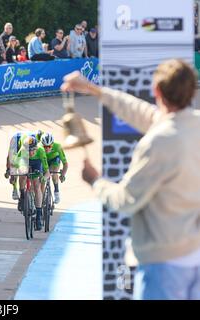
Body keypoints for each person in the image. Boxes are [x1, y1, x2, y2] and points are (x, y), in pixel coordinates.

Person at [61, 59, 200, 300]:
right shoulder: (193, 125)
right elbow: (145, 114)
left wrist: (95, 181)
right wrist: (94, 89)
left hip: (163, 263)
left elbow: (126, 201)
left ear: (156, 91)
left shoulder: (157, 143)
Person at [12, 134, 50, 231]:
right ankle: (23, 195)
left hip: (37, 163)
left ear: (36, 148)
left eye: (32, 150)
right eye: (28, 151)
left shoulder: (41, 151)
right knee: (23, 175)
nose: (30, 153)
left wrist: (44, 178)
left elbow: (47, 172)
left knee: (37, 186)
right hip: (25, 161)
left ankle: (38, 215)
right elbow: (15, 165)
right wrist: (14, 174)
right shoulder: (23, 150)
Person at [40, 133, 68, 204]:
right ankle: (42, 198)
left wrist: (63, 175)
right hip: (44, 160)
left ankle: (56, 191)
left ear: (52, 144)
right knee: (43, 179)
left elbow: (65, 163)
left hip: (54, 160)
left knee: (53, 172)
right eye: (45, 146)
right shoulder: (39, 147)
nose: (47, 148)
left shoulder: (58, 146)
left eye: (49, 146)